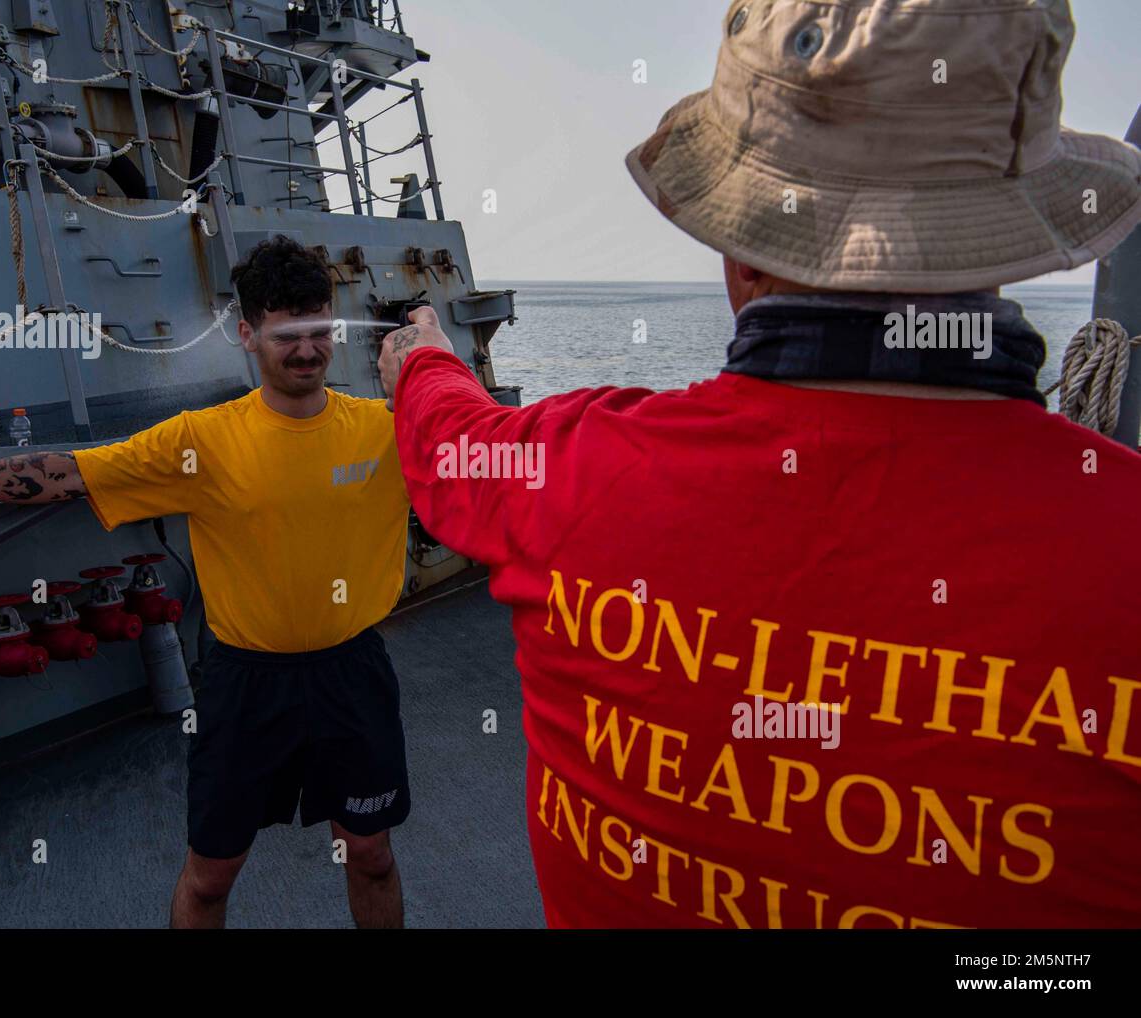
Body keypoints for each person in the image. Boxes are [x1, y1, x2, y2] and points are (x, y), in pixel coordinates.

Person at [378, 0, 1141, 928]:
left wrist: (421, 355)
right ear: (1003, 245)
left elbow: (454, 441)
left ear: (741, 251)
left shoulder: (566, 474)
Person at [0, 236, 413, 929]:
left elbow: (500, 449)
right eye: (286, 333)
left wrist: (432, 359)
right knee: (210, 878)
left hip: (351, 675)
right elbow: (72, 472)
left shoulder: (387, 431)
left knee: (371, 854)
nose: (306, 349)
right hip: (245, 685)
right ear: (246, 334)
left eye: (319, 330)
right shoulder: (201, 441)